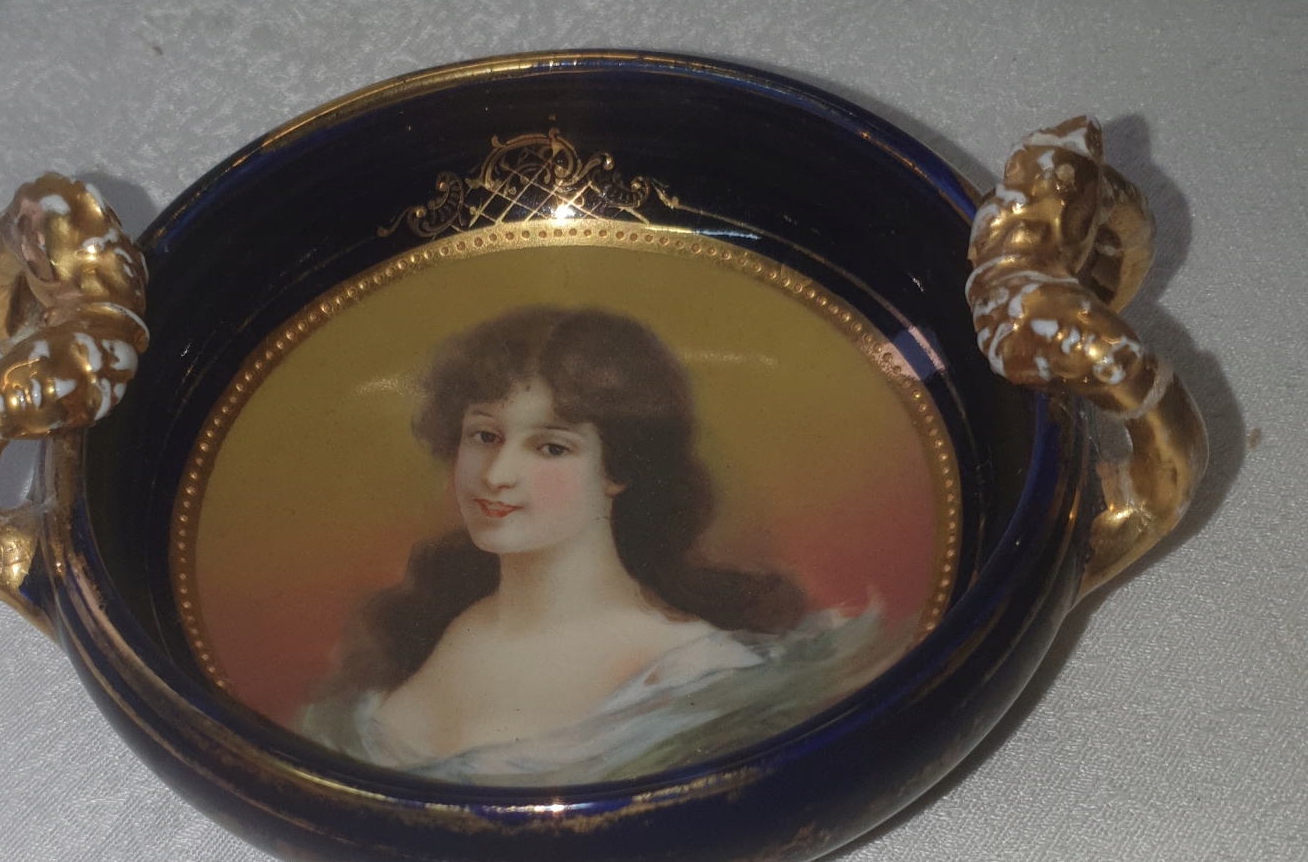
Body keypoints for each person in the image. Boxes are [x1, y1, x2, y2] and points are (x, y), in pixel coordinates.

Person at [294, 304, 908, 784]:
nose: (498, 474)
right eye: (484, 435)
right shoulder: (458, 630)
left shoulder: (693, 675)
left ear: (619, 468)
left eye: (550, 447)